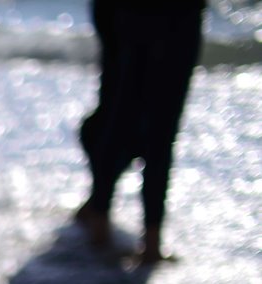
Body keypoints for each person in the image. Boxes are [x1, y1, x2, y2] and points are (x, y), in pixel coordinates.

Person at [75, 0, 206, 264]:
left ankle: (102, 222)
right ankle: (145, 241)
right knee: (153, 128)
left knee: (118, 116)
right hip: (169, 16)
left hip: (135, 14)